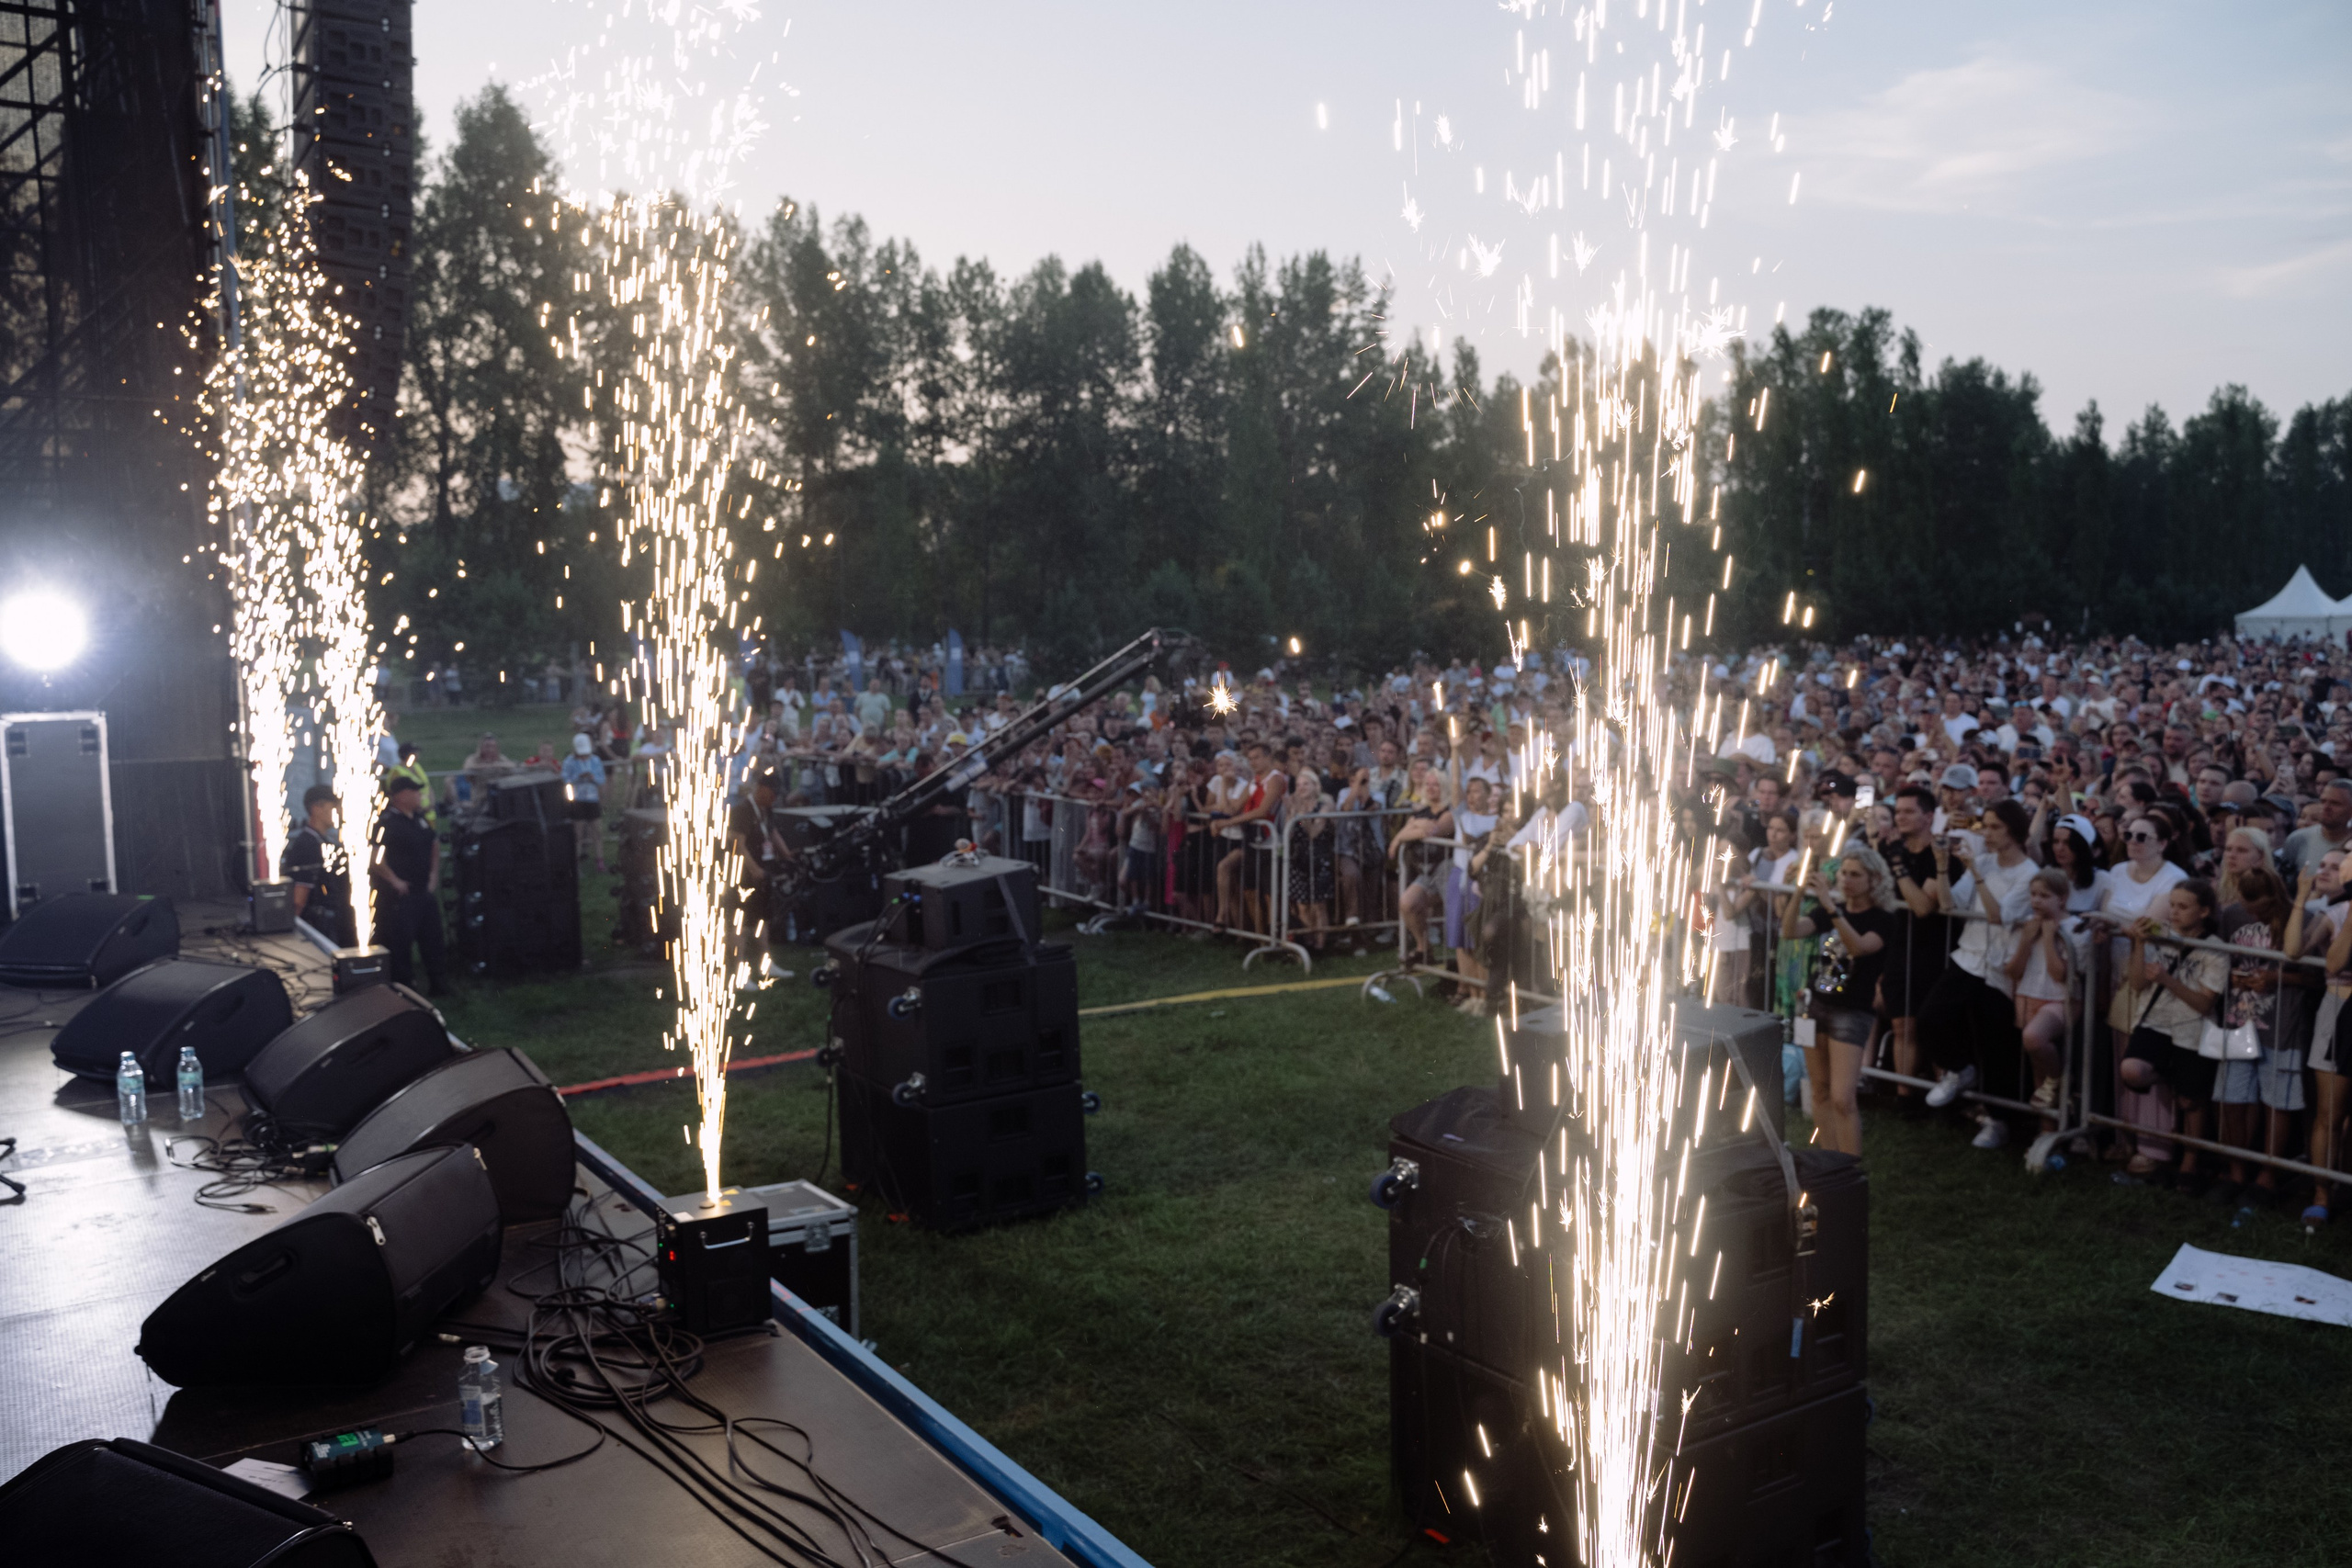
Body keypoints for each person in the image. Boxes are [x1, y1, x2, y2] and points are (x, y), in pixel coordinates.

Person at [1920, 798, 2037, 1149]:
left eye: (1994, 827)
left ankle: (2000, 1121)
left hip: (2000, 967)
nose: (1986, 833)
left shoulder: (2028, 872)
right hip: (1967, 957)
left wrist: (1976, 872)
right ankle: (1959, 1069)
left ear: (2014, 832)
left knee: (1996, 1047)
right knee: (1930, 1018)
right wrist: (1942, 867)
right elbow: (1948, 905)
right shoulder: (1983, 861)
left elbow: (1999, 915)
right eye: (1984, 825)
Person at [2087, 810, 2190, 1175]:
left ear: (2163, 843)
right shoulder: (2116, 872)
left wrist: (2105, 924)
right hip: (2118, 974)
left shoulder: (2174, 879)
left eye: (2142, 836)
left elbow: (2144, 925)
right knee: (2121, 1057)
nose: (2132, 840)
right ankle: (2126, 1137)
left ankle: (2154, 1144)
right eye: (2128, 833)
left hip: (2153, 978)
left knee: (2144, 1058)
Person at [1782, 847, 1899, 1155]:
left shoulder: (1883, 919)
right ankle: (1828, 1161)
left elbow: (1859, 947)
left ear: (1874, 879)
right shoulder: (1826, 910)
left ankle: (1849, 1169)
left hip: (1852, 1011)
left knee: (1842, 1097)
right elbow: (1790, 930)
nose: (1846, 880)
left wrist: (1833, 909)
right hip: (1815, 1005)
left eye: (1855, 874)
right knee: (1819, 1090)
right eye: (1843, 873)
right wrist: (1797, 892)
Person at [2116, 880, 2226, 1191]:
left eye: (2183, 906)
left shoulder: (2216, 949)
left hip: (2192, 1028)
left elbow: (2205, 1003)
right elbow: (2137, 984)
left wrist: (2168, 980)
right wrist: (2138, 944)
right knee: (2131, 1070)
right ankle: (2171, 1076)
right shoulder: (2160, 934)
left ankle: (2190, 1163)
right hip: (2155, 1021)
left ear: (2203, 911)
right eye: (2172, 905)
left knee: (2192, 1101)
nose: (2174, 912)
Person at [2003, 868, 2075, 1126]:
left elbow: (2059, 974)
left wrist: (2047, 938)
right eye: (2033, 894)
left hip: (2058, 999)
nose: (2036, 901)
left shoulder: (2074, 928)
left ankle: (2058, 1081)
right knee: (2038, 1068)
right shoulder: (2025, 925)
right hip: (2027, 994)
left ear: (2062, 898)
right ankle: (2046, 1128)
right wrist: (2026, 940)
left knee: (2034, 1038)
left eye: (2044, 896)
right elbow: (2012, 970)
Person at [369, 773, 446, 995]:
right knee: (400, 940)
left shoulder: (419, 819)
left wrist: (433, 875)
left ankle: (438, 981)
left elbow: (434, 843)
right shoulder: (385, 822)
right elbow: (374, 855)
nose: (419, 796)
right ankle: (404, 985)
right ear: (401, 796)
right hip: (401, 893)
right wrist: (393, 880)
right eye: (415, 791)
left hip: (423, 889)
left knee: (433, 937)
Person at [280, 784, 355, 948]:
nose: (340, 811)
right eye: (335, 806)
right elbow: (299, 899)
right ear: (316, 808)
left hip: (333, 924)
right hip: (320, 928)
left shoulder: (325, 842)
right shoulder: (307, 845)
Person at [562, 732, 608, 874]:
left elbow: (601, 779)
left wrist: (592, 777)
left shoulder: (595, 760)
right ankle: (576, 865)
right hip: (577, 800)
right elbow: (565, 779)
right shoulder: (569, 761)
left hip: (592, 799)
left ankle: (600, 862)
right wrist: (578, 777)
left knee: (597, 831)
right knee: (578, 834)